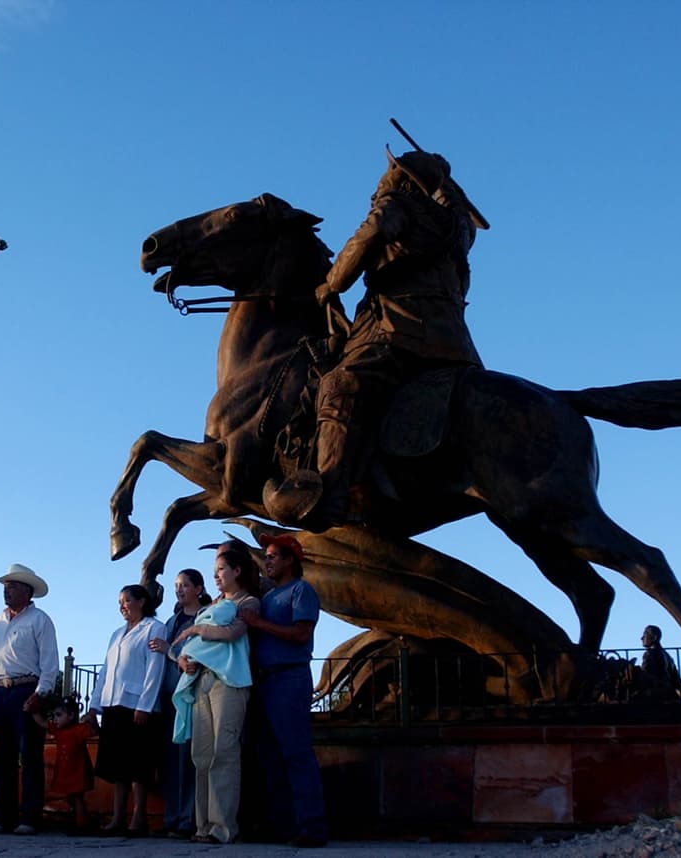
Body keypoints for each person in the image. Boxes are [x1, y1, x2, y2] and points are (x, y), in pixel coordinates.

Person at [264, 147, 486, 526]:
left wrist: (329, 285)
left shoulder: (395, 203)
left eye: (388, 172)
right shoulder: (457, 225)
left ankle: (329, 493)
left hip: (396, 332)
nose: (380, 181)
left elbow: (362, 245)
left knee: (339, 384)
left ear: (400, 179)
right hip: (453, 344)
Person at [240, 533, 328, 848]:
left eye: (274, 555)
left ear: (290, 560)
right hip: (266, 681)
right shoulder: (266, 597)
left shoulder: (301, 591)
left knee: (295, 753)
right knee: (270, 756)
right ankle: (283, 826)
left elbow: (302, 634)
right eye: (267, 556)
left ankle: (312, 828)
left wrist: (258, 623)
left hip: (289, 679)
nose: (267, 560)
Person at [171, 548, 261, 844]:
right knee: (202, 754)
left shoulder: (248, 602)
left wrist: (197, 628)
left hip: (229, 682)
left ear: (237, 571)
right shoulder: (211, 606)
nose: (217, 576)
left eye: (221, 569)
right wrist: (184, 661)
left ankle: (223, 827)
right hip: (201, 680)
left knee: (225, 751)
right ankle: (202, 825)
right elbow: (191, 645)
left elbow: (232, 633)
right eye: (215, 572)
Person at [0, 563, 59, 835]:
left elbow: (50, 662)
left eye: (12, 586)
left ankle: (29, 817)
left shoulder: (40, 620)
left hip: (26, 688)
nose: (7, 591)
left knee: (30, 758)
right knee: (2, 757)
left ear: (28, 591)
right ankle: (4, 817)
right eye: (5, 587)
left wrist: (41, 693)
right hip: (0, 691)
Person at [85, 584, 168, 836]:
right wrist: (94, 705)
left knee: (138, 765)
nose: (122, 606)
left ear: (141, 601)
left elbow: (155, 669)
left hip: (136, 705)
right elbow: (106, 671)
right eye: (119, 601)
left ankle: (138, 817)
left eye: (126, 600)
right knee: (117, 766)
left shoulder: (154, 628)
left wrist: (146, 704)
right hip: (114, 703)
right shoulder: (116, 634)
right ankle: (117, 817)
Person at [149, 569, 213, 838]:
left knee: (189, 760)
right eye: (176, 585)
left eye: (185, 585)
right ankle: (171, 816)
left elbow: (194, 655)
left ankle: (188, 817)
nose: (179, 590)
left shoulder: (205, 618)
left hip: (192, 696)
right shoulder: (172, 621)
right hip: (169, 697)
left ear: (198, 588)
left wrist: (171, 652)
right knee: (170, 761)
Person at [31, 696, 95, 832]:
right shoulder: (58, 730)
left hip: (78, 770)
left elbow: (93, 731)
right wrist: (34, 711)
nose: (55, 718)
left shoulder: (79, 730)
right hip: (66, 770)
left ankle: (81, 824)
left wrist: (90, 720)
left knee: (77, 797)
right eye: (54, 715)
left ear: (71, 715)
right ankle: (80, 820)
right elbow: (42, 723)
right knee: (71, 798)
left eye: (59, 715)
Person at [640, 624, 681, 700]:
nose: (641, 638)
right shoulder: (668, 657)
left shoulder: (649, 654)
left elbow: (645, 676)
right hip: (670, 695)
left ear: (654, 637)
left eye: (645, 634)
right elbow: (679, 683)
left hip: (656, 696)